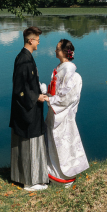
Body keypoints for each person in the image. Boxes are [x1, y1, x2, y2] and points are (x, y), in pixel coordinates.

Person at [9, 26, 49, 191]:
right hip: (26, 111)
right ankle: (29, 182)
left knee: (28, 145)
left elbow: (28, 83)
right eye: (38, 40)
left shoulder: (26, 57)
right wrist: (36, 97)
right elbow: (19, 90)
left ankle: (25, 177)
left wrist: (39, 88)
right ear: (30, 40)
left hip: (29, 108)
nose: (39, 42)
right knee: (28, 145)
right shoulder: (24, 60)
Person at [44, 39, 89, 187]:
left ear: (64, 52)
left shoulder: (69, 71)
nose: (55, 51)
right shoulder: (61, 68)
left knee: (62, 142)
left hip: (62, 113)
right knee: (53, 141)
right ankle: (53, 173)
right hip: (54, 111)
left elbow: (67, 96)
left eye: (57, 49)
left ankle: (64, 177)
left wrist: (50, 99)